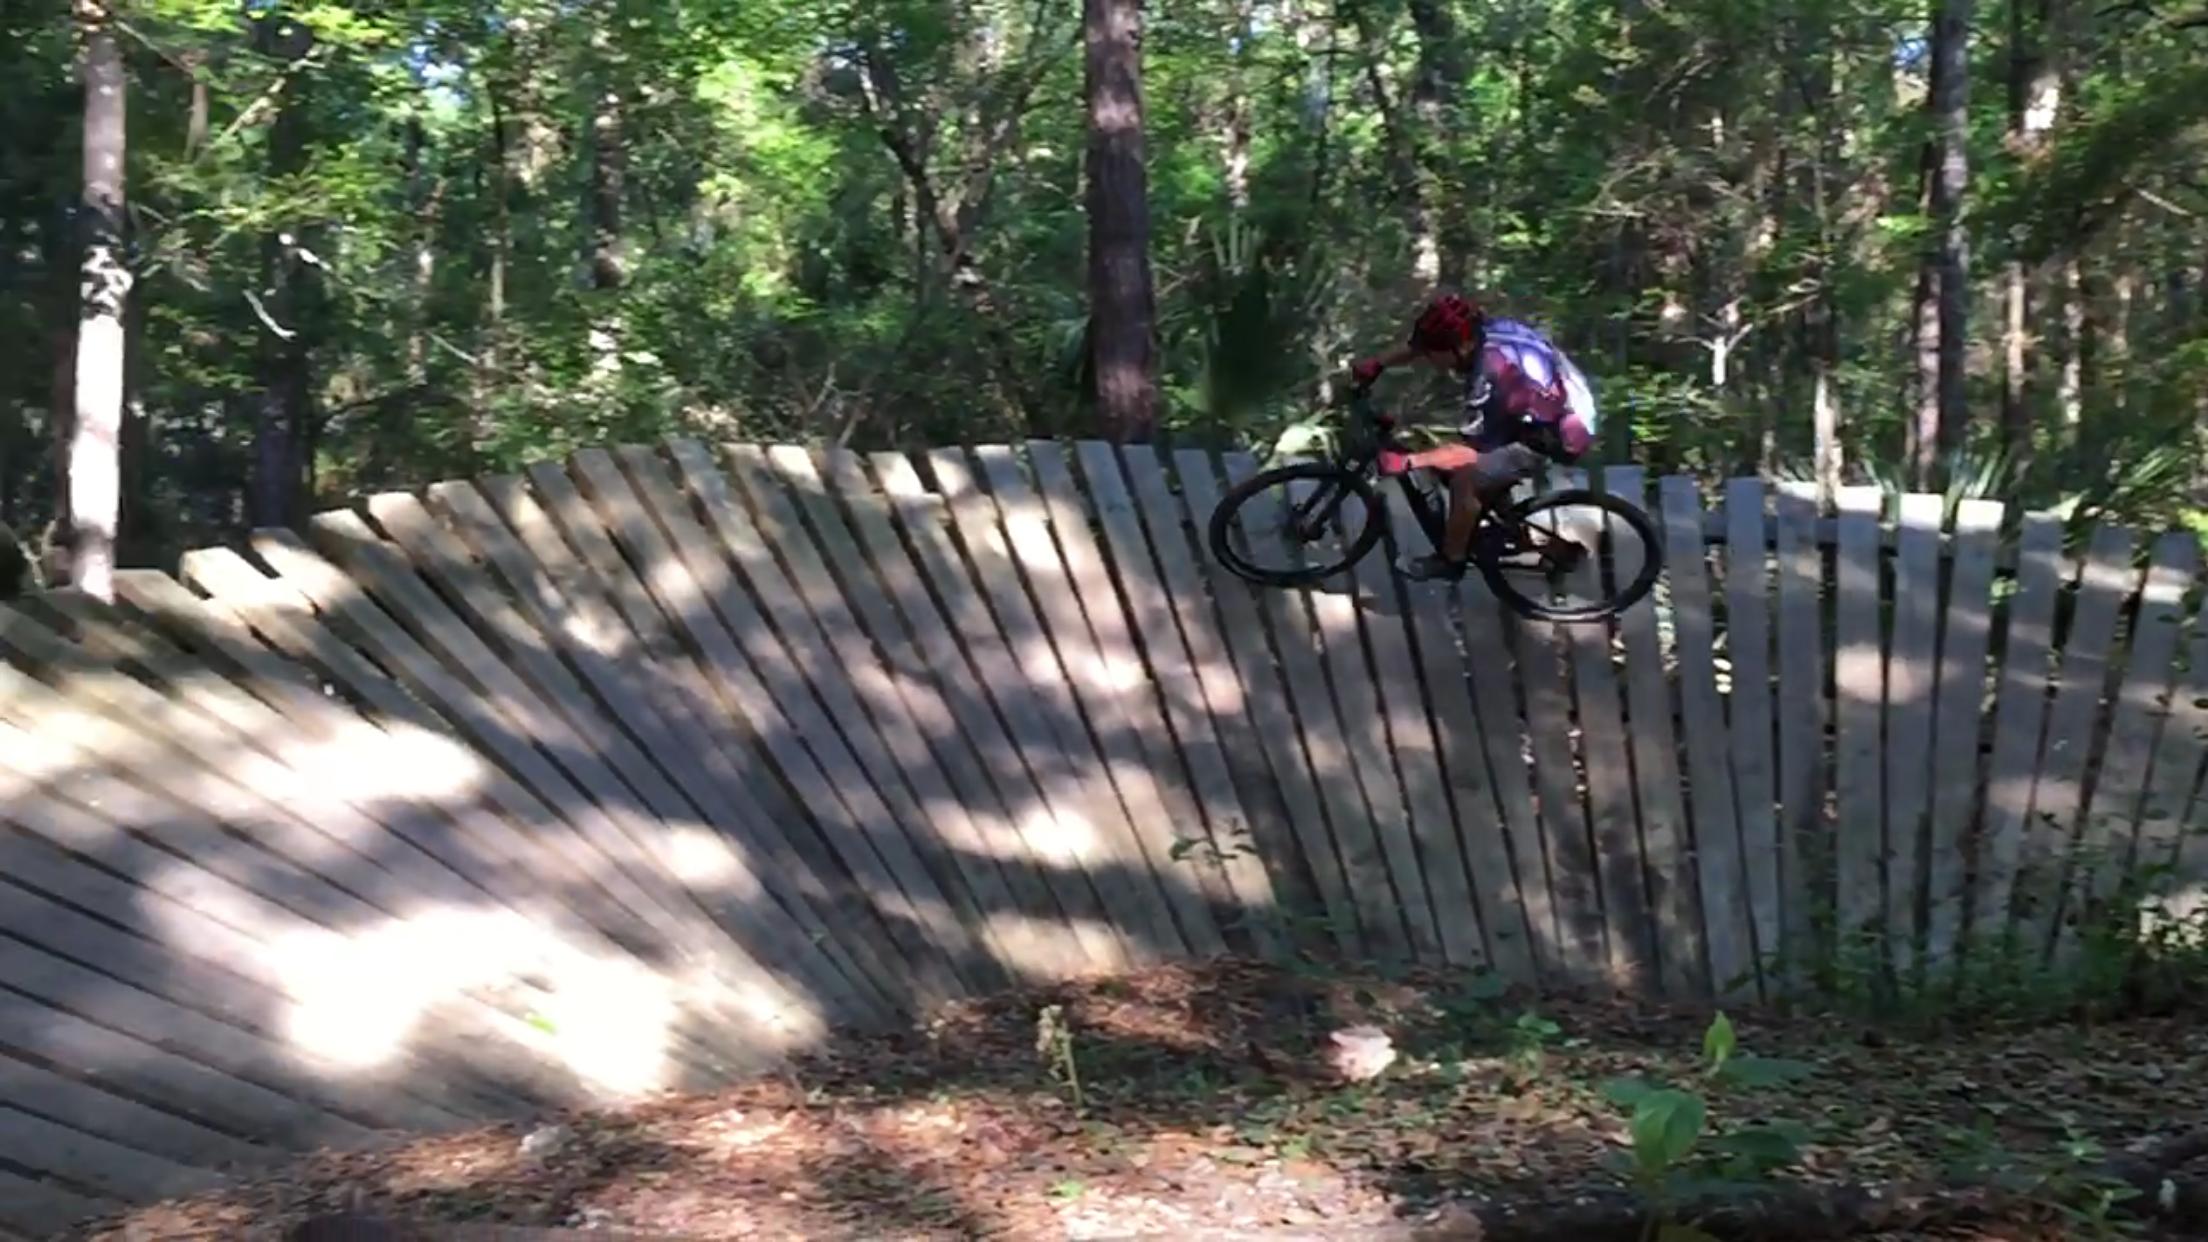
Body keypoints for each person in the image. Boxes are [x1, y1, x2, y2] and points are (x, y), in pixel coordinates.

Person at [1349, 292, 1599, 581]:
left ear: (1459, 347)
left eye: (1433, 354)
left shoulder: (1488, 375)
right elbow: (1421, 345)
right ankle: (1531, 538)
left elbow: (1467, 453)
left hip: (1557, 434)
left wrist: (1407, 462)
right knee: (1467, 470)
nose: (1428, 359)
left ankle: (1451, 560)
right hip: (1552, 405)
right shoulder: (1484, 332)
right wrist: (1377, 363)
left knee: (1465, 478)